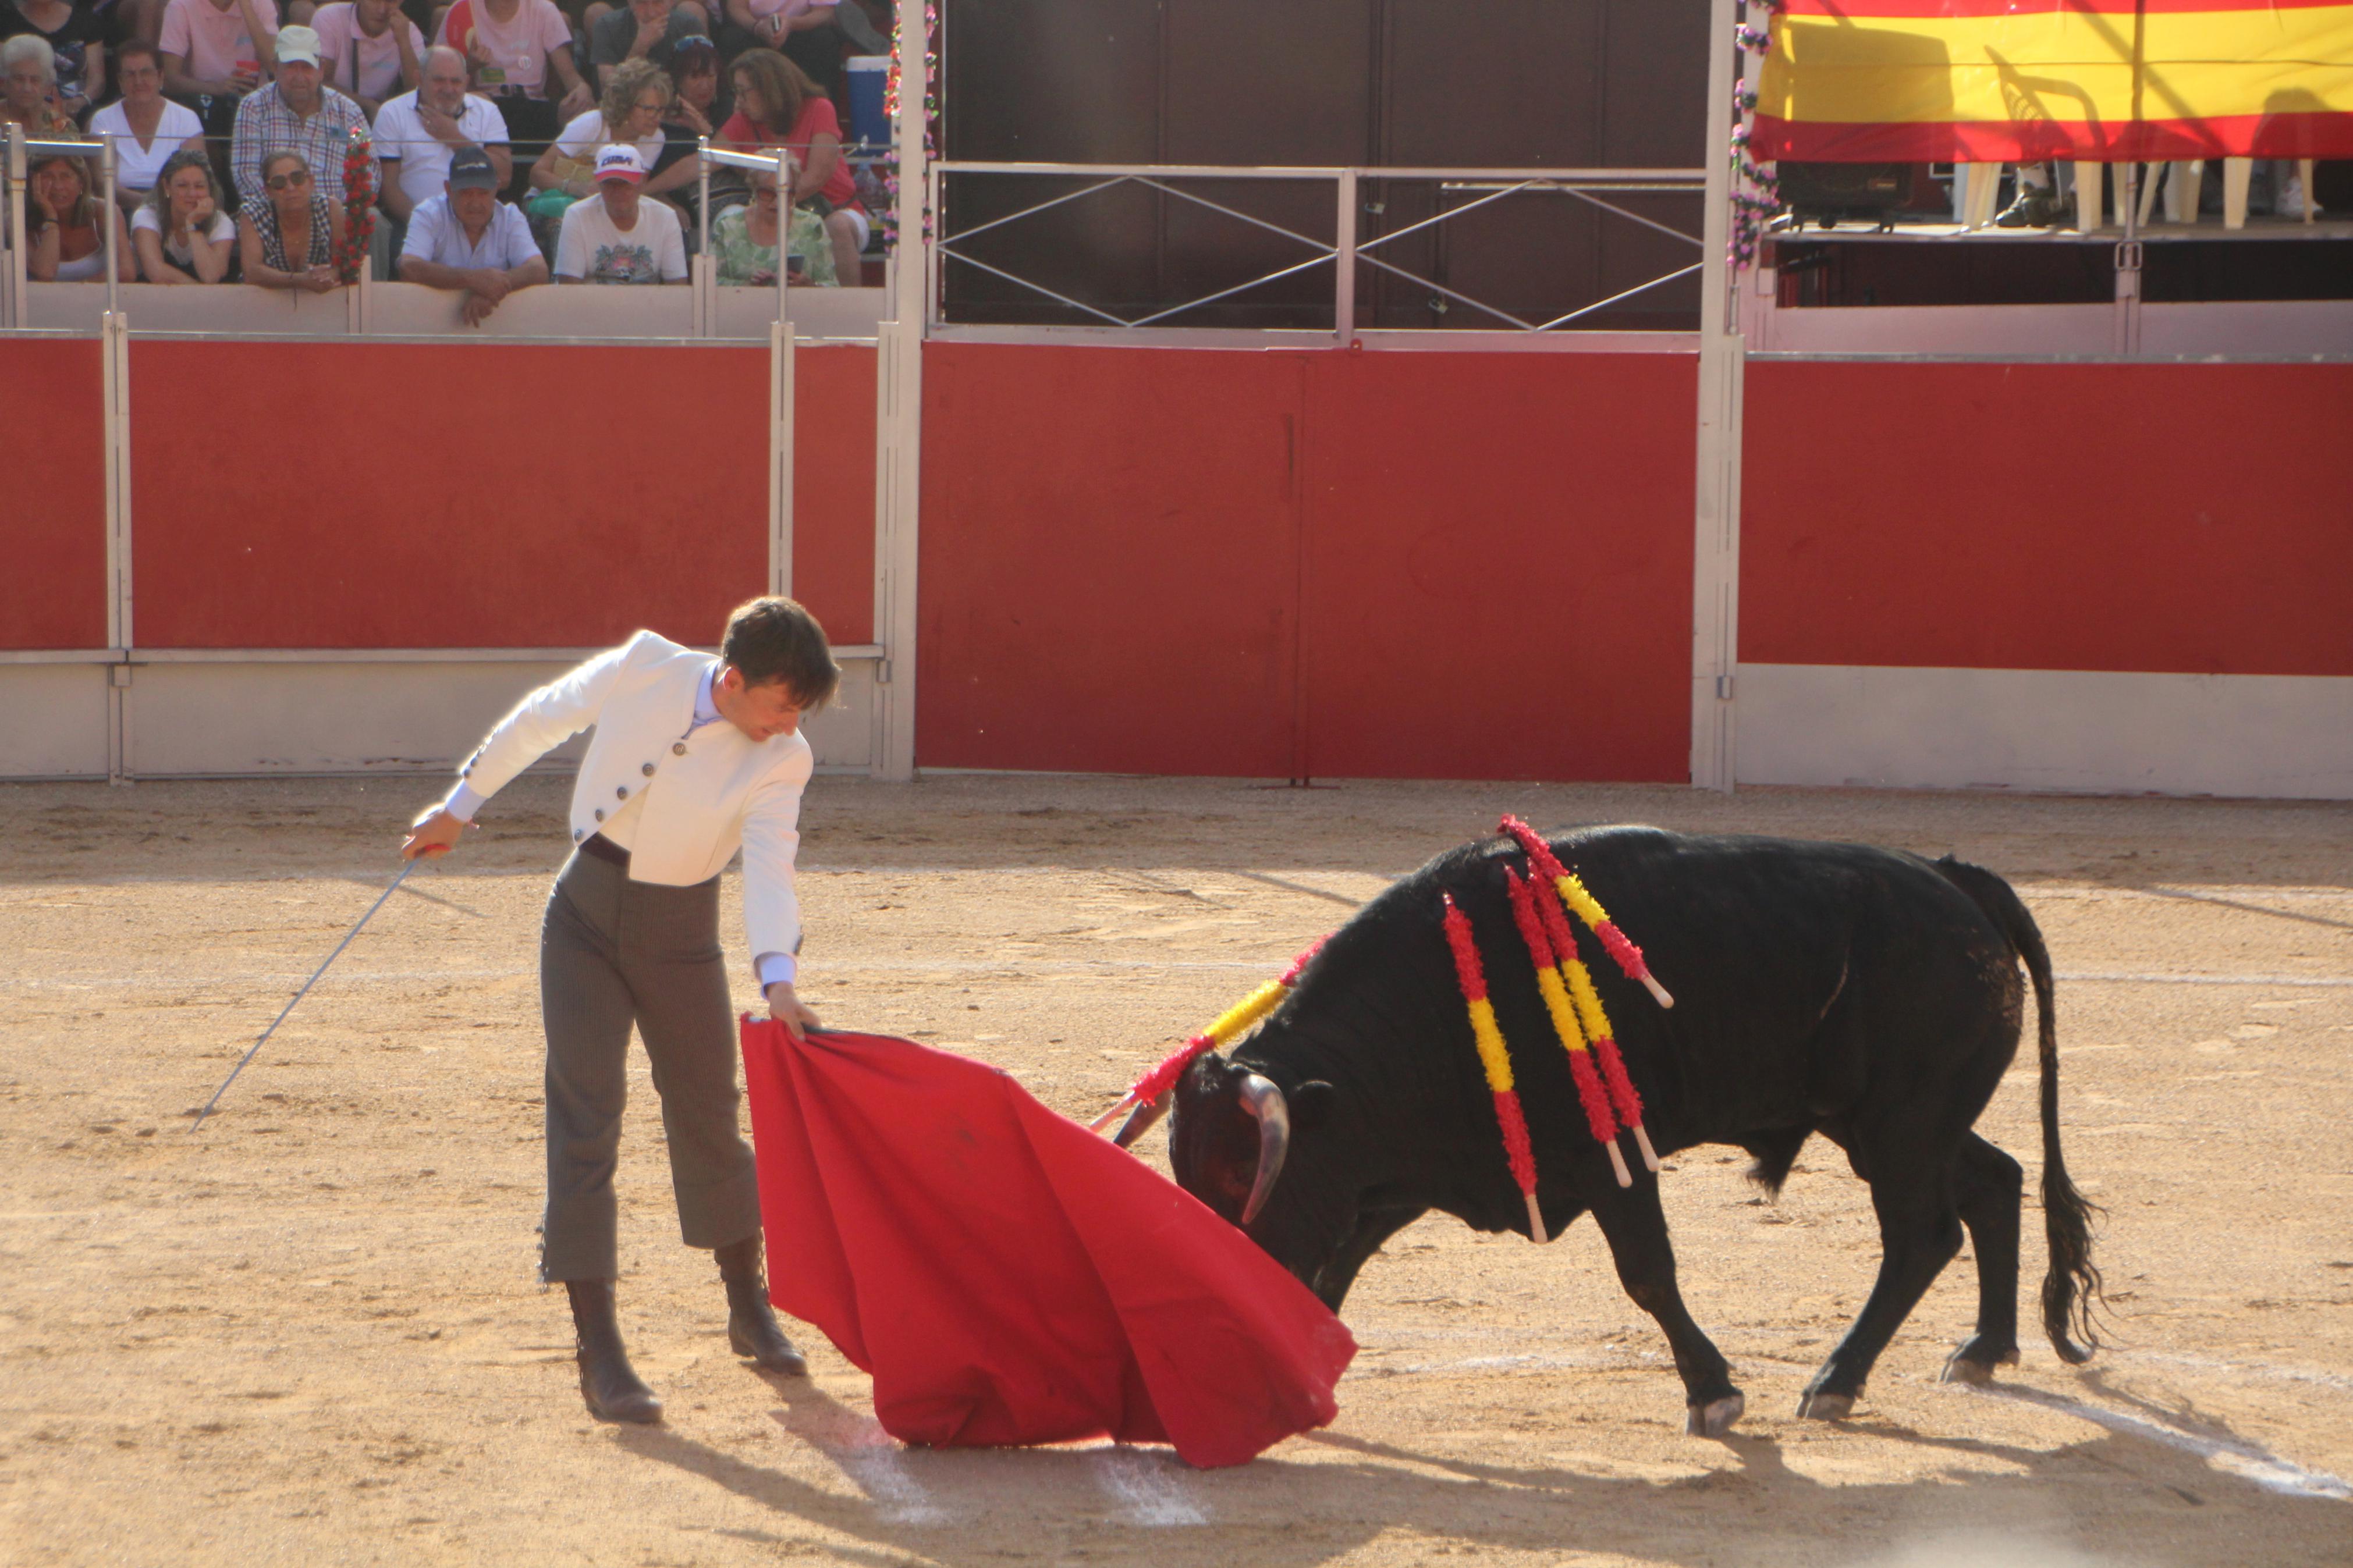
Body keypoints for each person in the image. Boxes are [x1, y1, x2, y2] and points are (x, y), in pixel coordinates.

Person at [399, 599, 839, 1423]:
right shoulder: (646, 664)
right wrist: (460, 804)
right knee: (586, 1114)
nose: (790, 724)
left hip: (682, 935)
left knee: (709, 1110)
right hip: (582, 920)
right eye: (783, 703)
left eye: (801, 711)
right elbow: (543, 719)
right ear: (734, 679)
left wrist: (777, 977)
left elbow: (772, 864)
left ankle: (748, 1304)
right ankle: (598, 1345)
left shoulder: (786, 758)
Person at [720, 46, 861, 283]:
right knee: (731, 217)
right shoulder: (743, 118)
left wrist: (779, 209)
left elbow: (816, 177)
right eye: (736, 93)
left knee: (837, 227)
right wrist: (648, 189)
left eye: (744, 93)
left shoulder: (819, 108)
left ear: (769, 89)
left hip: (834, 208)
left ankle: (849, 310)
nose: (738, 102)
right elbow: (705, 159)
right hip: (774, 208)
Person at [395, 141, 545, 322]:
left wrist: (491, 289)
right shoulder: (428, 214)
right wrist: (473, 280)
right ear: (449, 189)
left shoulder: (510, 217)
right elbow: (409, 267)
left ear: (496, 188)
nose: (475, 203)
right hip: (429, 323)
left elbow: (538, 270)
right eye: (466, 193)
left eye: (483, 193)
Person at [228, 24, 368, 204]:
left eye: (307, 67)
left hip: (338, 216)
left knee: (374, 219)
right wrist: (285, 211)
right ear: (275, 68)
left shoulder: (350, 112)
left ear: (321, 69)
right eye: (291, 67)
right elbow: (245, 174)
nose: (299, 76)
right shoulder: (253, 107)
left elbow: (368, 170)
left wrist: (335, 212)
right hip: (272, 214)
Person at [531, 56, 691, 212]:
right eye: (649, 109)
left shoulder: (656, 138)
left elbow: (637, 189)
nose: (657, 117)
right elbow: (537, 174)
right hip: (553, 204)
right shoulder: (590, 124)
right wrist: (578, 188)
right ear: (626, 104)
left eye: (661, 110)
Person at [432, 0, 589, 158]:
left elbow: (571, 78)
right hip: (484, 110)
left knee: (574, 108)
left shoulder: (543, 9)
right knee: (479, 104)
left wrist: (582, 90)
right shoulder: (461, 10)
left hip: (534, 107)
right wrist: (469, 66)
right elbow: (438, 79)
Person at [373, 42, 507, 225]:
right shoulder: (392, 112)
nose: (448, 89)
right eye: (439, 80)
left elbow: (505, 176)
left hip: (477, 224)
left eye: (456, 81)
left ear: (467, 82)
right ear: (419, 79)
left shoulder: (488, 112)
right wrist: (423, 226)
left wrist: (455, 139)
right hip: (413, 223)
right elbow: (388, 187)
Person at [90, 40, 207, 215]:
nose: (138, 81)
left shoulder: (187, 119)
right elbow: (103, 184)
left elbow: (195, 178)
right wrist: (148, 204)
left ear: (160, 77)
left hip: (175, 212)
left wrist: (164, 206)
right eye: (130, 74)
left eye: (146, 73)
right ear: (120, 81)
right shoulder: (103, 120)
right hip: (120, 212)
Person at [552, 141, 684, 282]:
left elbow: (678, 286)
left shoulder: (666, 217)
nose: (617, 191)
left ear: (640, 183)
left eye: (625, 183)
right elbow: (569, 289)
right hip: (591, 304)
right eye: (609, 183)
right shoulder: (577, 215)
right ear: (598, 183)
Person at [158, 0, 278, 151]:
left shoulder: (260, 3)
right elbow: (170, 79)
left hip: (255, 102)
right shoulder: (180, 6)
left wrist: (246, 7)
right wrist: (218, 88)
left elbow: (273, 64)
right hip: (203, 102)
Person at [710, 159, 833, 286]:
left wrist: (808, 285)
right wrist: (749, 285)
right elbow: (708, 285)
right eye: (767, 193)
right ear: (754, 189)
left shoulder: (812, 226)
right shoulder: (727, 227)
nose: (776, 203)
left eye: (785, 194)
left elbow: (833, 288)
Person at [237, 145, 343, 288]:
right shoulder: (253, 213)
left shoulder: (330, 208)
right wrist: (301, 281)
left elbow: (343, 264)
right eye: (279, 182)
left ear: (311, 182)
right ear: (268, 190)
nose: (290, 188)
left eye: (297, 178)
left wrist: (325, 278)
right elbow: (252, 272)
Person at [24, 147, 136, 280]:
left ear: (81, 183)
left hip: (97, 299)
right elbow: (45, 272)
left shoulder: (103, 211)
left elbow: (126, 271)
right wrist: (51, 218)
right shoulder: (18, 220)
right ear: (33, 182)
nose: (58, 186)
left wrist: (77, 293)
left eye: (66, 176)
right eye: (47, 176)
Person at [132, 145, 237, 279]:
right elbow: (156, 272)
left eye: (199, 186)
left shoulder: (221, 222)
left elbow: (212, 276)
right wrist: (197, 296)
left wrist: (193, 225)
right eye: (182, 186)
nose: (192, 194)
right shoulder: (147, 215)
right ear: (167, 187)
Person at [0, 0, 107, 124]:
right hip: (22, 103)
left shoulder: (86, 21)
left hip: (77, 109)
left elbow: (97, 80)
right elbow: (3, 75)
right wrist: (39, 104)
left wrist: (80, 101)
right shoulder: (5, 22)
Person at [308, 0, 422, 116]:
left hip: (382, 117)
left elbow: (418, 94)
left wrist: (404, 42)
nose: (382, 10)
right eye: (375, 1)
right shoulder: (329, 17)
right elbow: (320, 83)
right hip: (335, 113)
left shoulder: (409, 32)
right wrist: (367, 106)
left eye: (391, 1)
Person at [585, 0, 698, 91]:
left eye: (658, 2)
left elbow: (702, 84)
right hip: (626, 113)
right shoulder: (606, 26)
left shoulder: (689, 26)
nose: (651, 13)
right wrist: (640, 47)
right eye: (641, 2)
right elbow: (610, 89)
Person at [2, 32, 76, 137]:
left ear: (48, 87)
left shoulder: (63, 125)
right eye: (19, 79)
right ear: (4, 83)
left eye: (35, 80)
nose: (27, 88)